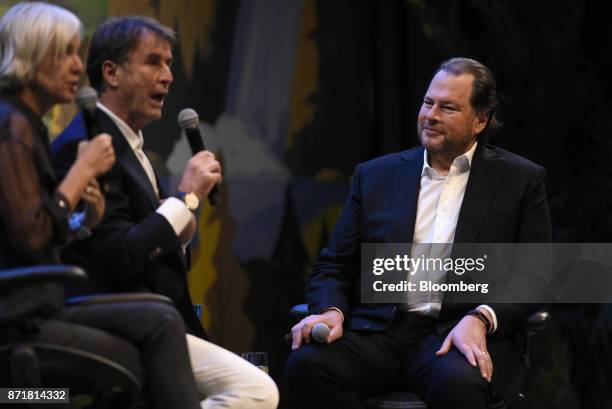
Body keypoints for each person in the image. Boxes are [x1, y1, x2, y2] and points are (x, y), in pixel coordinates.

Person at [285, 57, 552, 409]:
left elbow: (535, 274)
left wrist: (482, 317)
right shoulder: (376, 175)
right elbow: (334, 265)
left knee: (460, 386)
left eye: (448, 107)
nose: (431, 115)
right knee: (306, 367)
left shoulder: (520, 180)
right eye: (428, 102)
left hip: (453, 332)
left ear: (480, 120)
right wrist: (331, 310)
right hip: (378, 331)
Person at [52, 16, 279, 409]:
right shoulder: (89, 146)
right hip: (124, 321)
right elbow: (117, 258)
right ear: (112, 72)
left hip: (161, 318)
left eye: (170, 63)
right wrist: (187, 199)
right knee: (255, 391)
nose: (168, 76)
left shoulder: (129, 143)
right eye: (154, 62)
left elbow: (147, 239)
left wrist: (182, 223)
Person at [0, 3, 203, 408]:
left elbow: (38, 236)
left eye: (78, 51)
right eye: (65, 53)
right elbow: (30, 234)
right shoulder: (10, 125)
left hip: (41, 307)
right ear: (29, 55)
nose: (78, 66)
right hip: (17, 317)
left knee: (145, 339)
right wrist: (80, 174)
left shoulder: (28, 124)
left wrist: (80, 220)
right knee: (153, 331)